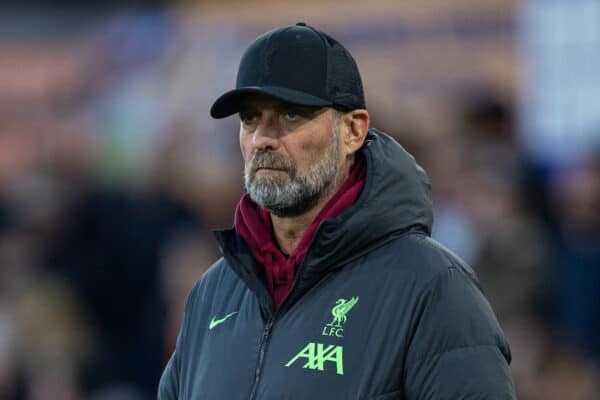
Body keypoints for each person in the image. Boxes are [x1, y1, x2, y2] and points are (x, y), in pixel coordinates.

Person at [158, 22, 516, 399]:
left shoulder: (432, 286)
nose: (262, 138)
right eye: (250, 119)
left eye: (291, 115)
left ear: (353, 130)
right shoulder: (213, 292)